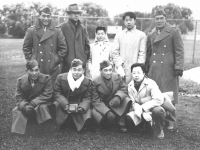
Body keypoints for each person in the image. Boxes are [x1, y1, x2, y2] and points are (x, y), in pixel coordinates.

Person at [145, 9, 184, 129]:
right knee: (155, 95)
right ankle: (158, 118)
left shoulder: (174, 31)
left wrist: (178, 67)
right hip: (154, 69)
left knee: (170, 95)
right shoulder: (151, 34)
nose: (159, 21)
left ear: (165, 19)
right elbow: (149, 52)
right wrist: (146, 67)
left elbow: (179, 51)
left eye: (161, 18)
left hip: (169, 68)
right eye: (157, 19)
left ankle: (170, 120)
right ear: (154, 20)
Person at [22, 6, 67, 83]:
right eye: (43, 16)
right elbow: (26, 48)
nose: (46, 18)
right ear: (39, 16)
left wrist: (55, 60)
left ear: (50, 17)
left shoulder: (57, 31)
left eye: (48, 16)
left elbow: (63, 48)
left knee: (52, 91)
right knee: (36, 92)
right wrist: (32, 60)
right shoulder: (31, 30)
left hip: (52, 68)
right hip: (36, 68)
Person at [11, 60, 53, 134]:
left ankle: (45, 128)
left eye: (36, 70)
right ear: (27, 71)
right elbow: (19, 97)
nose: (34, 73)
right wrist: (24, 106)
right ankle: (19, 131)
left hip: (40, 103)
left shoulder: (46, 79)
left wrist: (34, 103)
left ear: (39, 70)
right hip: (27, 105)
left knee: (43, 107)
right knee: (17, 110)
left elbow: (47, 94)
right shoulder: (20, 81)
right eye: (31, 70)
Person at [126, 63, 166, 139]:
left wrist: (143, 109)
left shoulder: (151, 83)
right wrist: (142, 112)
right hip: (139, 110)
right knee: (129, 118)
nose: (136, 75)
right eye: (134, 73)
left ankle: (159, 129)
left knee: (159, 111)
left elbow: (159, 99)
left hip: (152, 108)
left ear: (144, 73)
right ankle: (145, 125)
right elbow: (133, 102)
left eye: (138, 73)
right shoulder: (130, 86)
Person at [53, 59, 93, 132]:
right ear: (70, 69)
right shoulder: (61, 78)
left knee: (86, 115)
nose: (76, 72)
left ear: (83, 71)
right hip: (64, 103)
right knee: (56, 105)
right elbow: (57, 93)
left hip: (79, 104)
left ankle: (76, 121)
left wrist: (81, 107)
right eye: (74, 69)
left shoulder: (88, 81)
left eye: (79, 70)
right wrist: (65, 104)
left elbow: (88, 97)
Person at [92, 60, 131, 132]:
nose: (108, 73)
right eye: (105, 70)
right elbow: (95, 100)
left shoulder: (117, 76)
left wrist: (118, 96)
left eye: (110, 70)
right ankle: (104, 123)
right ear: (100, 70)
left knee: (126, 100)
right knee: (96, 114)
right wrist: (107, 112)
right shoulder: (95, 82)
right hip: (103, 104)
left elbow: (123, 88)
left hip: (114, 102)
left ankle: (122, 123)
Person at [112, 11, 147, 84]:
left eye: (130, 20)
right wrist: (119, 66)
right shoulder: (119, 35)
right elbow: (114, 52)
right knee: (121, 90)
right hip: (122, 69)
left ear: (135, 21)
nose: (128, 22)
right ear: (124, 22)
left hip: (135, 68)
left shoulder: (141, 35)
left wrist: (138, 68)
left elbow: (142, 53)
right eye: (126, 20)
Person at [58, 4, 90, 73]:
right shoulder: (61, 28)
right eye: (74, 13)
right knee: (66, 82)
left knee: (81, 83)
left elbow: (87, 46)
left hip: (80, 65)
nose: (77, 15)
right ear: (69, 14)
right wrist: (64, 59)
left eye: (78, 13)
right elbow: (58, 47)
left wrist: (84, 58)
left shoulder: (83, 28)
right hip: (66, 65)